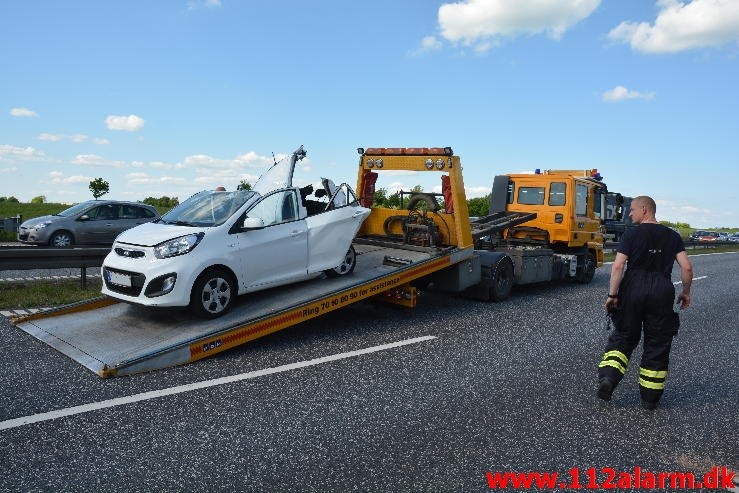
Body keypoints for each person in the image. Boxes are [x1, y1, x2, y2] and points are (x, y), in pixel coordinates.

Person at [596, 195, 693, 410]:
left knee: (623, 336)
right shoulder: (672, 236)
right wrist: (685, 292)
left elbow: (618, 267)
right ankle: (650, 399)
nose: (630, 214)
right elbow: (686, 268)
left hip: (633, 288)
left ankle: (609, 379)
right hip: (662, 289)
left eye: (632, 210)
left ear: (645, 210)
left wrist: (612, 295)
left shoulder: (631, 235)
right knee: (657, 343)